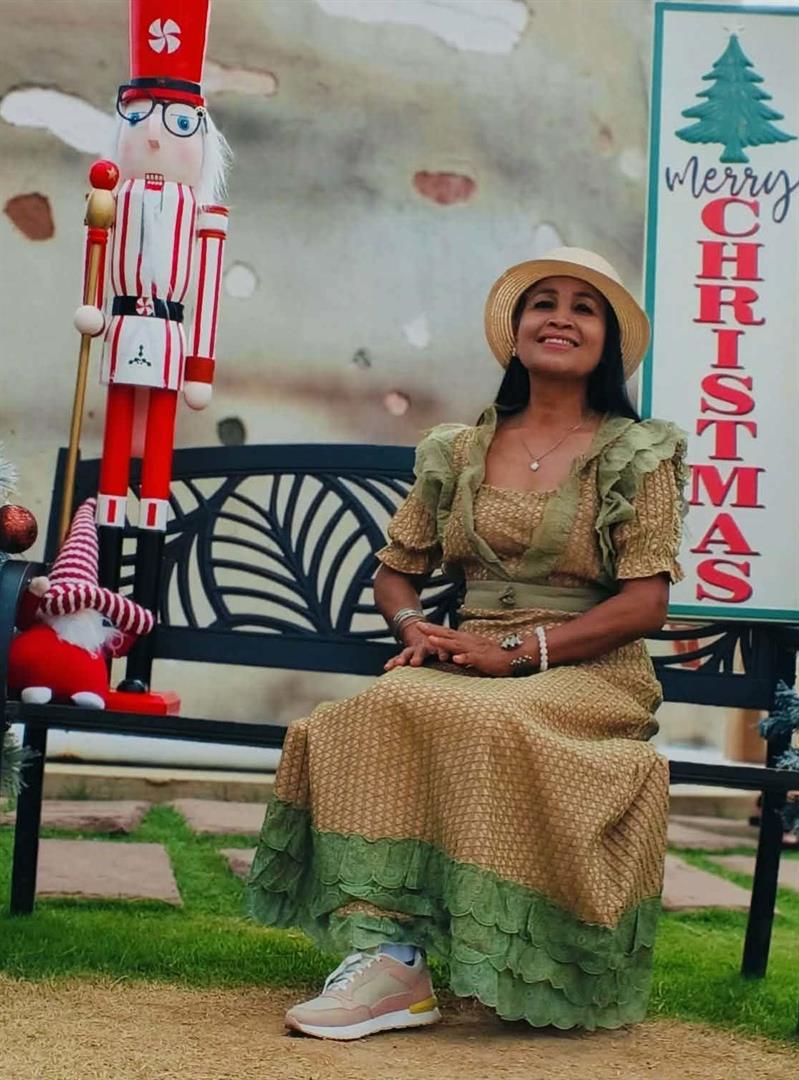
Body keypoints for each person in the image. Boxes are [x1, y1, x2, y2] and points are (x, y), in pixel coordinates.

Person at [246, 247, 687, 1039]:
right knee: (369, 713)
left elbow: (645, 603)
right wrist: (413, 628)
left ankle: (506, 958)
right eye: (542, 303)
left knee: (490, 718)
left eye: (583, 307)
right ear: (516, 331)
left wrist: (519, 655)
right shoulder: (455, 449)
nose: (559, 318)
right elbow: (396, 571)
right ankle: (389, 962)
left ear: (607, 342)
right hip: (470, 655)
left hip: (587, 667)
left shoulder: (637, 452)